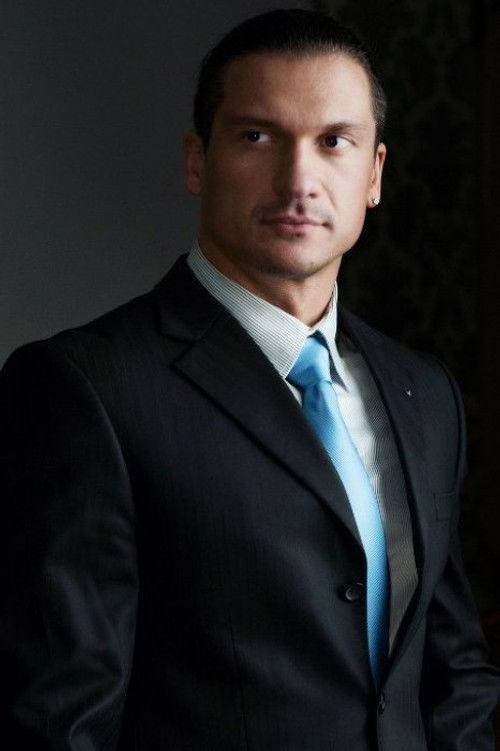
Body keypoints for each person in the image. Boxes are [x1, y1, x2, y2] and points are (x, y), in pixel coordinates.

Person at [0, 8, 498, 750]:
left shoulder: (425, 392)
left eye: (334, 141)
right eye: (258, 137)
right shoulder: (85, 388)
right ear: (197, 161)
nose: (299, 180)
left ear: (374, 174)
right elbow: (59, 720)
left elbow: (453, 673)